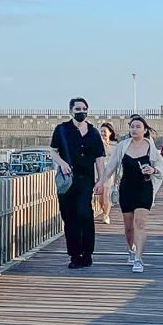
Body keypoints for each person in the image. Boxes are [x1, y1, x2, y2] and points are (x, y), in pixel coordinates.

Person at [102, 114, 163, 273]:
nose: (134, 129)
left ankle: (139, 259)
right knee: (129, 226)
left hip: (144, 188)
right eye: (132, 127)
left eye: (138, 127)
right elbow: (110, 166)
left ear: (145, 130)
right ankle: (131, 249)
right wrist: (100, 182)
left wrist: (153, 170)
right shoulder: (122, 146)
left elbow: (161, 166)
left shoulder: (150, 147)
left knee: (140, 223)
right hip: (126, 188)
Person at [50, 97, 106, 269]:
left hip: (86, 179)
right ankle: (75, 255)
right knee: (69, 217)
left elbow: (100, 158)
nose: (81, 112)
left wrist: (101, 179)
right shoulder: (62, 130)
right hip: (68, 181)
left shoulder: (94, 132)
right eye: (77, 109)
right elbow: (53, 151)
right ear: (70, 111)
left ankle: (87, 254)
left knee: (85, 214)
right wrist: (62, 163)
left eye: (84, 109)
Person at [95, 123, 118, 224]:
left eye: (105, 131)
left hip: (109, 173)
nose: (103, 133)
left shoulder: (115, 146)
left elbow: (117, 161)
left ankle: (107, 215)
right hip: (98, 172)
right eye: (102, 131)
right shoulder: (97, 144)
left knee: (106, 196)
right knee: (99, 196)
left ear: (110, 133)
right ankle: (103, 211)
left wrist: (117, 176)